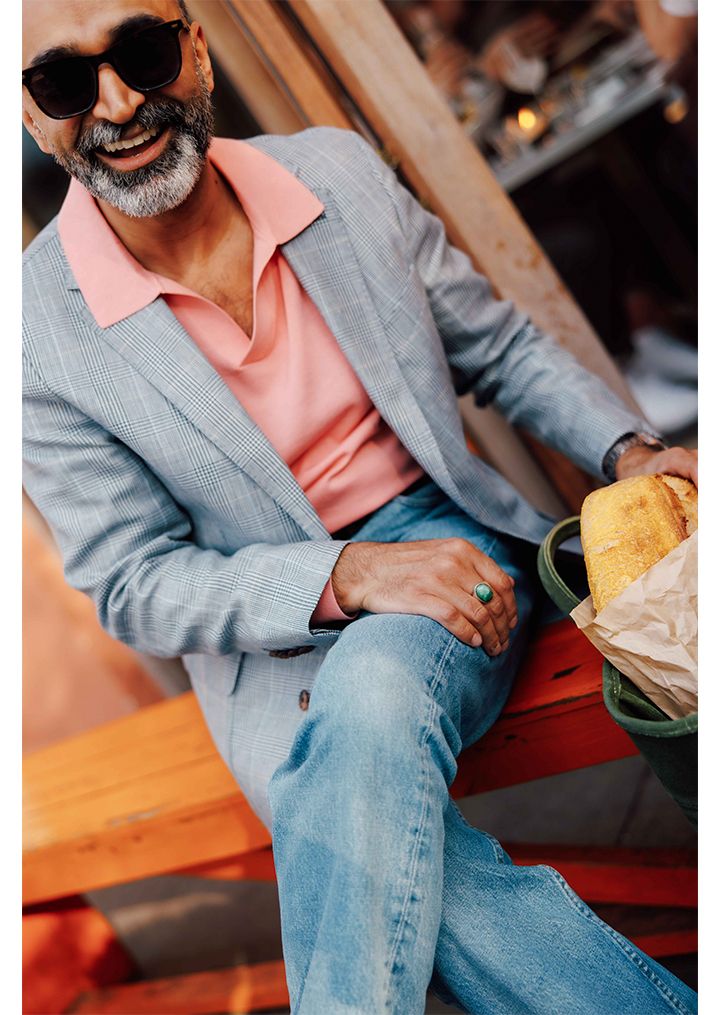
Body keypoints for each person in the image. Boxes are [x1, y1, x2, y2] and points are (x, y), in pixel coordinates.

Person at [22, 1, 699, 1012]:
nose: (117, 104)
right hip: (258, 649)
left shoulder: (332, 175)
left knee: (376, 692)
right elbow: (133, 581)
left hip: (442, 544)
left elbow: (497, 347)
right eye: (65, 82)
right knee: (412, 868)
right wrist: (343, 574)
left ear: (196, 50)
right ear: (32, 116)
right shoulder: (36, 334)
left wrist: (629, 449)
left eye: (144, 51)